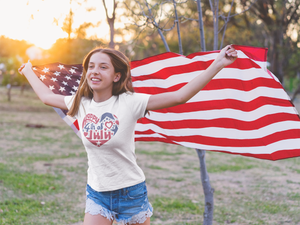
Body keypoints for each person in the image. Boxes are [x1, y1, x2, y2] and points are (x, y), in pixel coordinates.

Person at [18, 45, 237, 225]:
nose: (95, 71)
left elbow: (180, 96)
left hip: (130, 194)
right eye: (91, 66)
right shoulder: (80, 102)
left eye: (103, 67)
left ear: (116, 76)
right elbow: (46, 96)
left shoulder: (130, 102)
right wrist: (27, 70)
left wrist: (218, 64)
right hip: (97, 193)